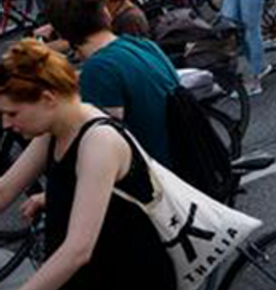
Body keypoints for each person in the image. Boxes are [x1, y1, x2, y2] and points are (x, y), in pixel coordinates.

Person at [0, 40, 177, 290]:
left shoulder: (99, 141)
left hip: (126, 277)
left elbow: (78, 249)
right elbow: (4, 190)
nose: (6, 124)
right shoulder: (54, 130)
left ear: (48, 99)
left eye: (12, 113)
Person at [43, 0, 180, 165]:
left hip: (153, 171)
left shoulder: (99, 70)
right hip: (181, 155)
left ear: (62, 34)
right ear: (106, 15)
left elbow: (103, 143)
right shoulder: (140, 45)